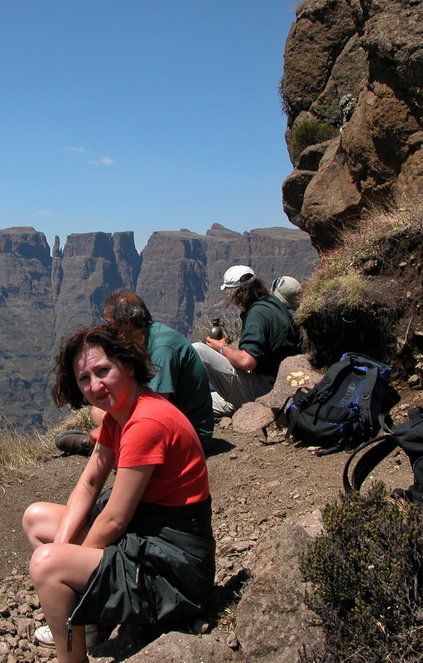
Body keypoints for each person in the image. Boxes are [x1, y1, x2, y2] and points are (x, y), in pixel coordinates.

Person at [24, 324, 215, 663]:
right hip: (144, 540)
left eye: (103, 371)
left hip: (173, 572)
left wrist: (68, 564)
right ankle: (92, 622)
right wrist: (67, 548)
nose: (95, 385)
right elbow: (89, 484)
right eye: (85, 378)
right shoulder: (120, 415)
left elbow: (114, 519)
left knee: (47, 564)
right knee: (37, 518)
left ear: (127, 366)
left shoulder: (146, 422)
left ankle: (74, 657)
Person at [57, 291, 214, 453]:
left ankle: (98, 446)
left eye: (110, 323)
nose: (108, 330)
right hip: (174, 422)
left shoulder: (162, 347)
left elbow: (157, 406)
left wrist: (106, 428)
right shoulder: (145, 338)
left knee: (109, 416)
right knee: (98, 412)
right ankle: (109, 441)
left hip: (191, 436)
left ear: (126, 322)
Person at [192, 265, 302, 416]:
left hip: (264, 390)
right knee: (193, 405)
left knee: (198, 350)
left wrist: (222, 348)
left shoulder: (258, 313)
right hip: (277, 386)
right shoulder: (272, 305)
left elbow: (247, 361)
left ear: (236, 292)